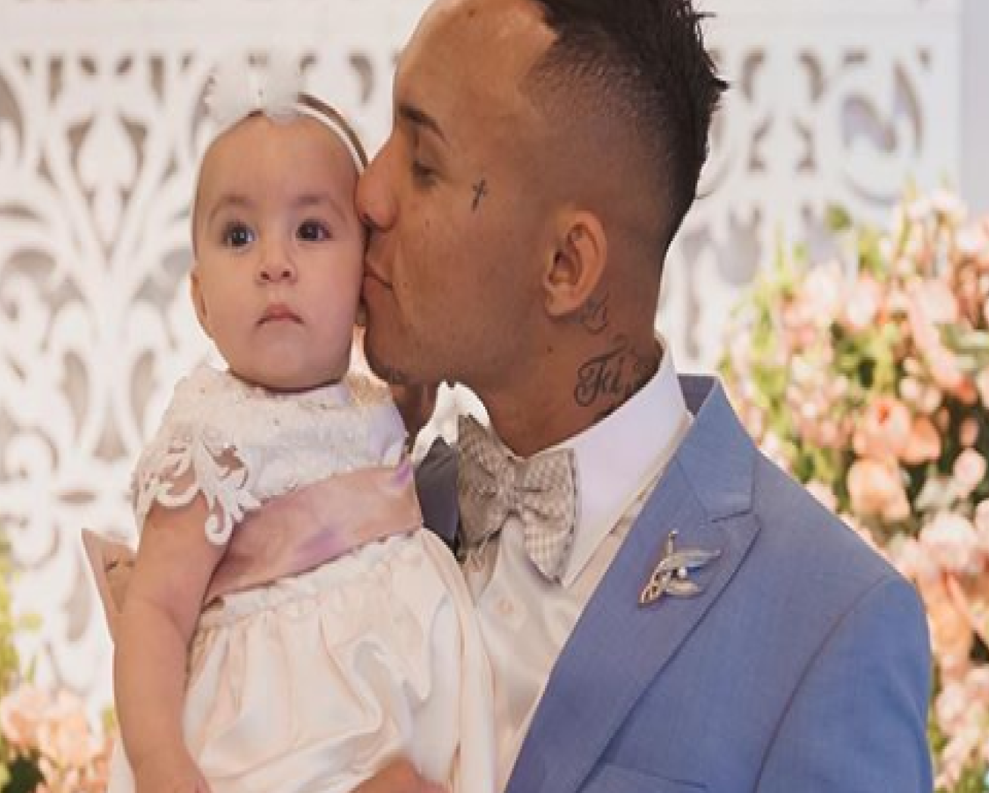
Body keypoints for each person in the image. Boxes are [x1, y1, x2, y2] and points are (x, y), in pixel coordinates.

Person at [340, 0, 934, 790]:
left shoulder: (828, 630)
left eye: (422, 164)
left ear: (565, 265)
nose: (368, 194)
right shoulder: (358, 515)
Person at [95, 57, 494, 793]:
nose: (273, 263)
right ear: (200, 301)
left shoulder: (372, 401)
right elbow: (154, 611)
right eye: (238, 235)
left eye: (310, 230)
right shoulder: (213, 438)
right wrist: (159, 759)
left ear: (363, 278)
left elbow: (388, 442)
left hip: (411, 700)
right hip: (284, 730)